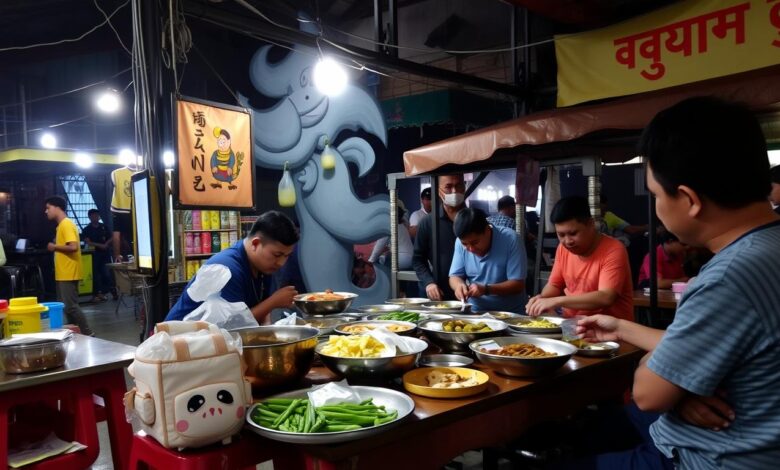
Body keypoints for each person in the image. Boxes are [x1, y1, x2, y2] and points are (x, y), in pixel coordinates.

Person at [572, 97, 780, 469]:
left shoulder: (726, 278)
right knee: (594, 431)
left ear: (688, 199)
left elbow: (648, 394)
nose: (656, 206)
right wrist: (620, 327)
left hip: (710, 456)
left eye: (655, 194)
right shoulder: (767, 247)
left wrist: (671, 385)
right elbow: (698, 344)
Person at [166, 211, 300, 323]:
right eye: (277, 255)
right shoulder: (225, 270)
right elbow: (232, 325)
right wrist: (273, 302)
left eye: (287, 256)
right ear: (255, 244)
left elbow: (260, 313)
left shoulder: (264, 266)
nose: (281, 263)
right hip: (179, 341)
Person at [526, 196, 633, 321]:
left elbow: (606, 297)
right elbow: (555, 285)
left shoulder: (614, 249)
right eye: (561, 235)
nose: (567, 241)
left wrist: (556, 301)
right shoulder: (563, 249)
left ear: (591, 224)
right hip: (572, 325)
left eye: (573, 233)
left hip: (611, 329)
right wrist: (541, 299)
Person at [449, 208, 527, 312]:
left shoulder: (511, 239)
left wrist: (486, 289)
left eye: (475, 242)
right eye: (465, 244)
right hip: (476, 311)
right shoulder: (460, 242)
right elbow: (454, 276)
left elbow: (518, 285)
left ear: (487, 230)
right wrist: (459, 286)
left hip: (510, 313)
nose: (470, 249)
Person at [412, 174, 466, 301]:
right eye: (448, 187)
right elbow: (418, 259)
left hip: (471, 293)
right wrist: (429, 282)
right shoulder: (428, 222)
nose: (454, 191)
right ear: (438, 190)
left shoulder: (475, 219)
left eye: (458, 185)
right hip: (440, 294)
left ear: (464, 187)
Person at [45, 196, 93, 336]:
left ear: (57, 207)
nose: (46, 211)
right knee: (66, 307)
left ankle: (88, 333)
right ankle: (76, 333)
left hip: (68, 272)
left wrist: (54, 246)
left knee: (71, 306)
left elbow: (73, 247)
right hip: (63, 272)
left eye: (48, 208)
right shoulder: (62, 225)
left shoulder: (66, 224)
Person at [82, 209, 114, 302]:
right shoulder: (86, 229)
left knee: (106, 274)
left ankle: (105, 292)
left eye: (97, 215)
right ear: (89, 217)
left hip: (105, 254)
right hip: (94, 254)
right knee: (95, 275)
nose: (95, 217)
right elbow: (88, 242)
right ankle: (96, 293)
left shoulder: (104, 227)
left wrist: (106, 244)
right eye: (93, 215)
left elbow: (111, 237)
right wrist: (100, 245)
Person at [368, 203, 414, 269]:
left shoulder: (389, 227)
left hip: (402, 259)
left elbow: (380, 245)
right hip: (411, 259)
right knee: (385, 257)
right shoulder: (402, 226)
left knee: (381, 263)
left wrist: (371, 260)